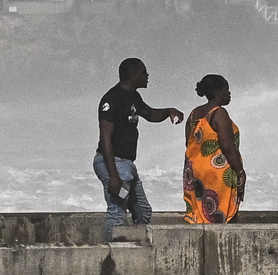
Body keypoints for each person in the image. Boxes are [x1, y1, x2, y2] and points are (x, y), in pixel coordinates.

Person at [95, 57, 181, 239]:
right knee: (117, 211)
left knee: (142, 211)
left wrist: (168, 112)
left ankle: (137, 247)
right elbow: (105, 138)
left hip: (126, 165)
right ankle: (110, 256)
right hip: (114, 162)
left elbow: (149, 114)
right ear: (133, 75)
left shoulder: (133, 96)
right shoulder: (112, 99)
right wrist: (113, 175)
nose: (147, 75)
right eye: (144, 72)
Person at [182, 74, 247, 223]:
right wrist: (240, 172)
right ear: (218, 92)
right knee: (220, 217)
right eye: (226, 90)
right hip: (216, 173)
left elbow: (189, 144)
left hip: (193, 172)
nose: (229, 94)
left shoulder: (194, 114)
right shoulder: (219, 113)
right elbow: (228, 148)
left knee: (200, 216)